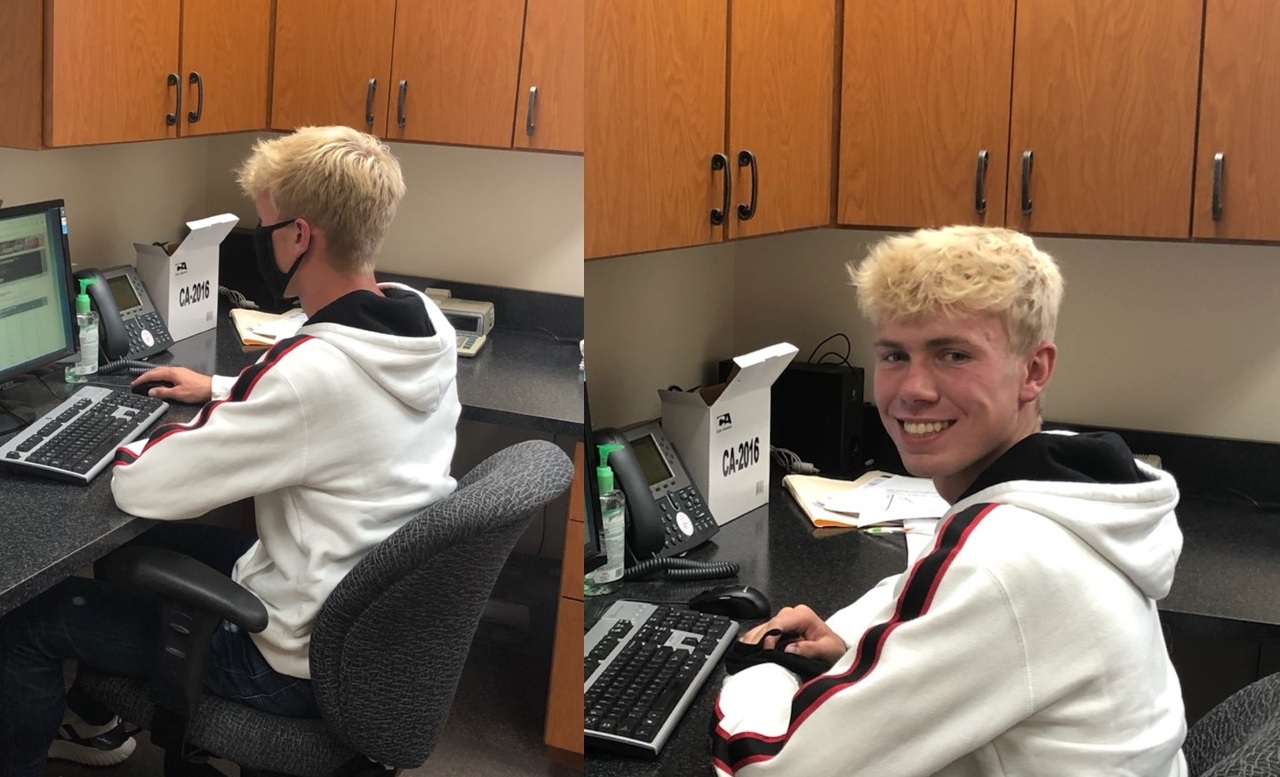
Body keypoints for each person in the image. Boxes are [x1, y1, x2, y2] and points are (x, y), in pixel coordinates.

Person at [0, 125, 461, 777]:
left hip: (285, 660)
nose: (258, 243)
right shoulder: (421, 325)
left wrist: (119, 429)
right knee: (136, 549)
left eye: (264, 227)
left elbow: (144, 486)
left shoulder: (309, 377)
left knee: (25, 621)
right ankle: (93, 718)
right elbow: (333, 406)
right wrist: (223, 386)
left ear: (301, 237)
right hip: (353, 612)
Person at [710, 226, 1187, 776]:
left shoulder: (1006, 562)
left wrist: (762, 667)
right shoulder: (1073, 485)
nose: (913, 388)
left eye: (953, 355)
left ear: (1034, 370)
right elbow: (933, 586)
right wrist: (849, 634)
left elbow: (777, 769)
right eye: (894, 355)